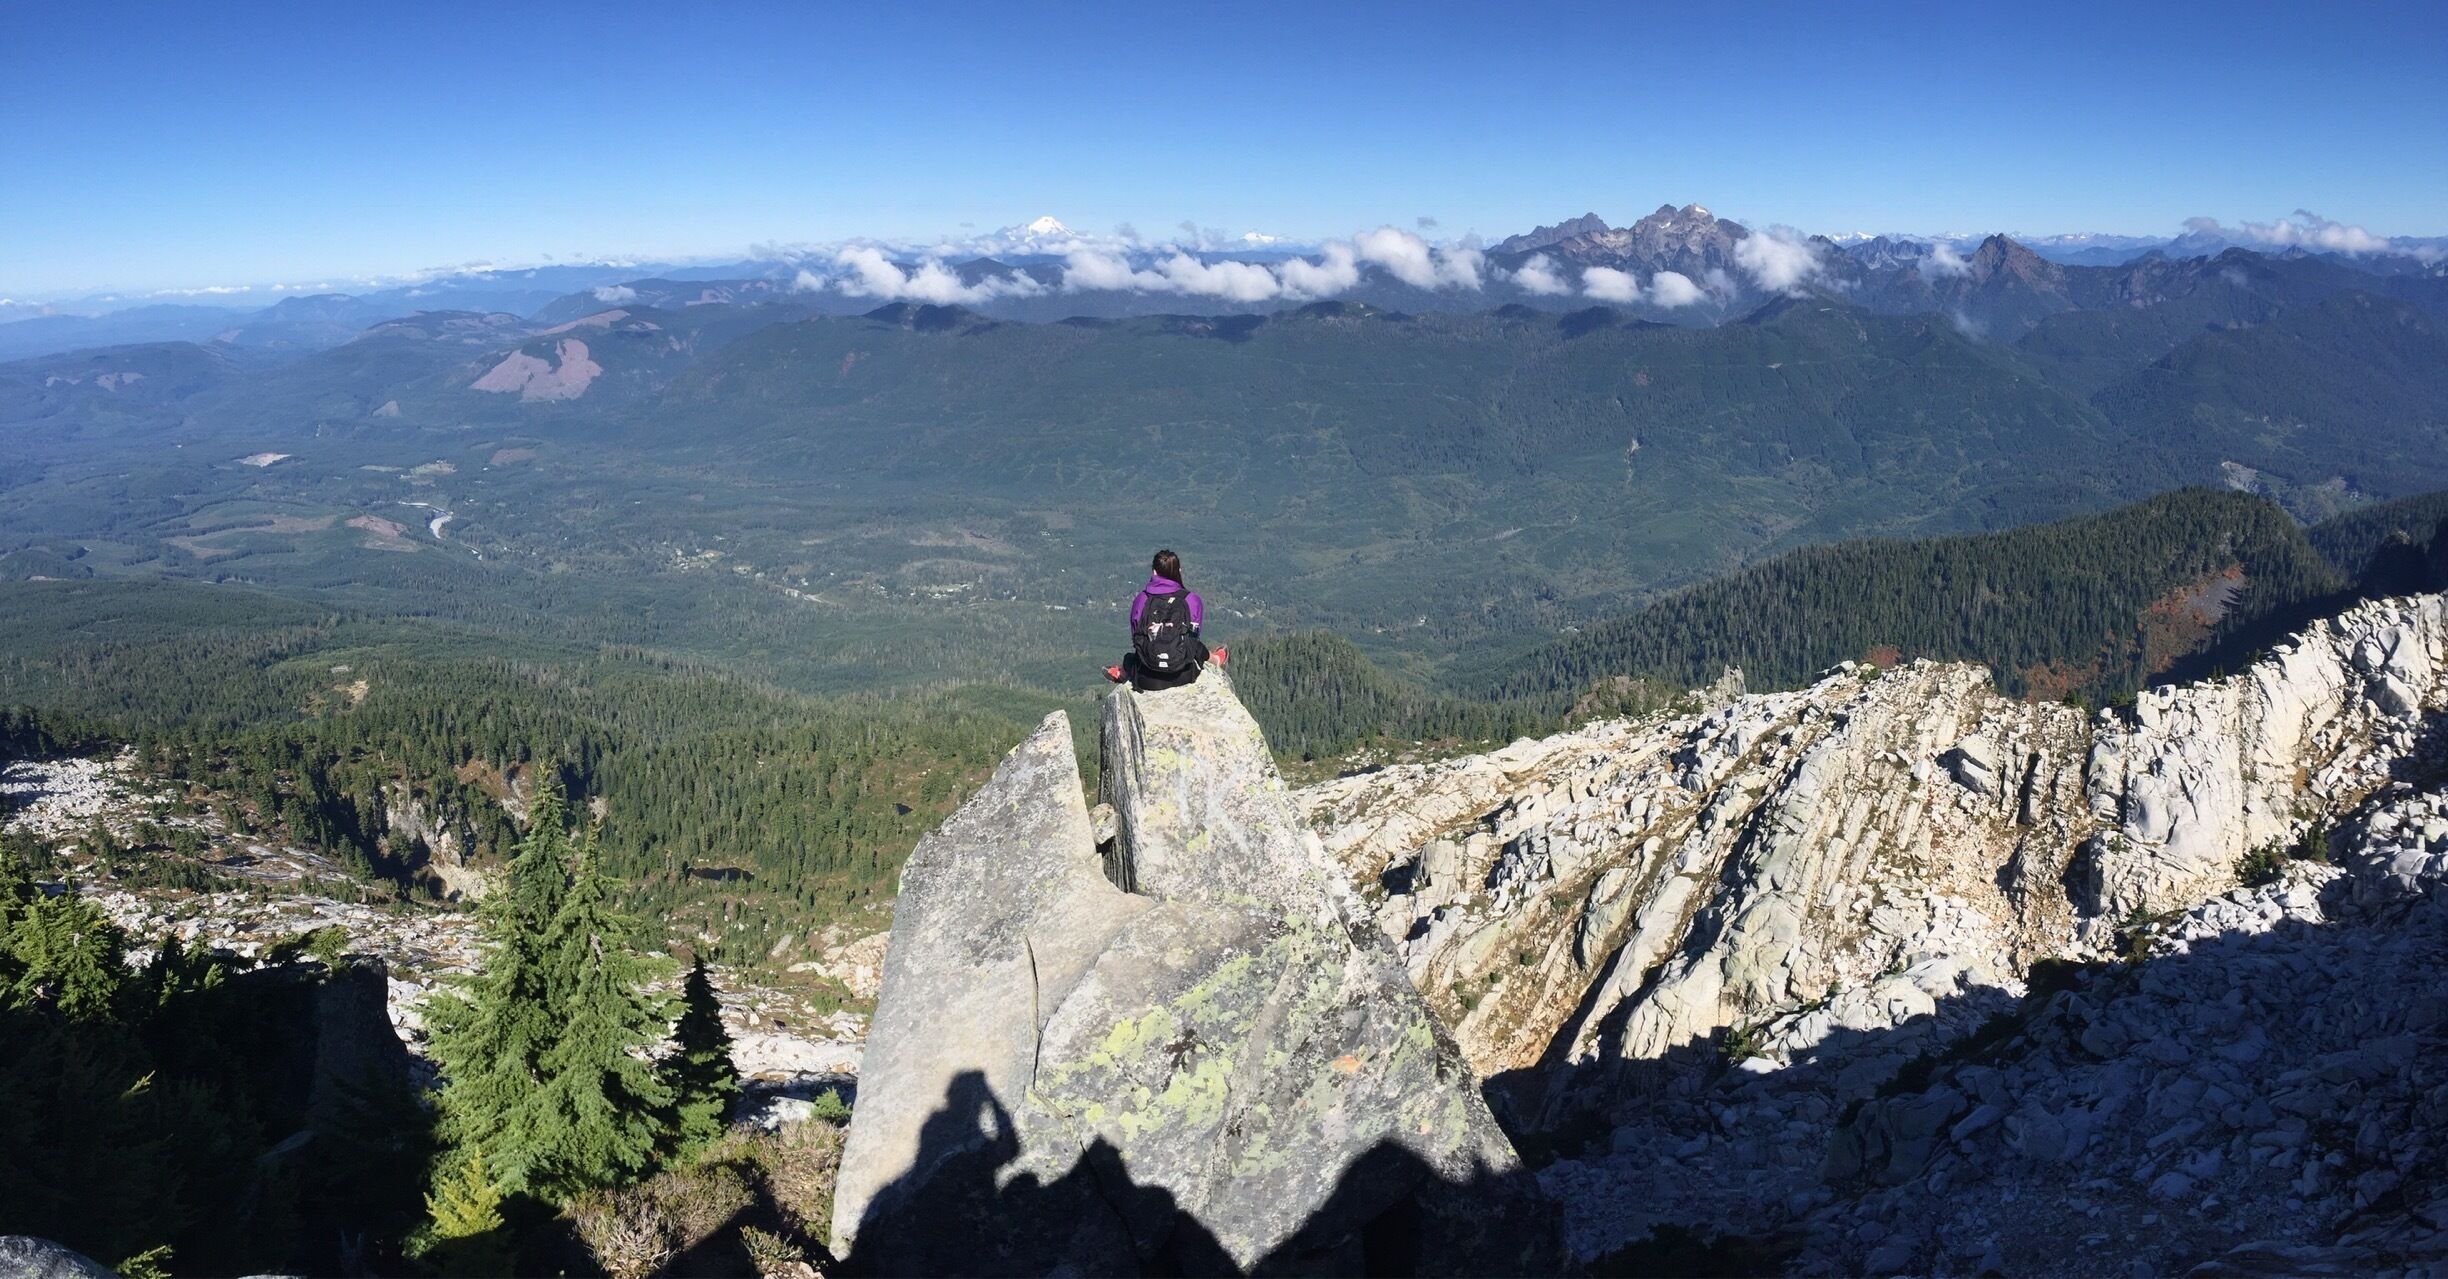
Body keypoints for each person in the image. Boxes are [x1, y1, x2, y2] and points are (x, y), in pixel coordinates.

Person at [1106, 549, 1226, 691]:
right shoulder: (1192, 600)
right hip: (1184, 675)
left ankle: (1124, 672)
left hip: (1147, 679)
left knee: (1130, 658)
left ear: (1154, 572)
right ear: (1179, 571)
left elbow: (1136, 637)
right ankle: (1216, 659)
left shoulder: (1141, 600)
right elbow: (1193, 637)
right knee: (1197, 646)